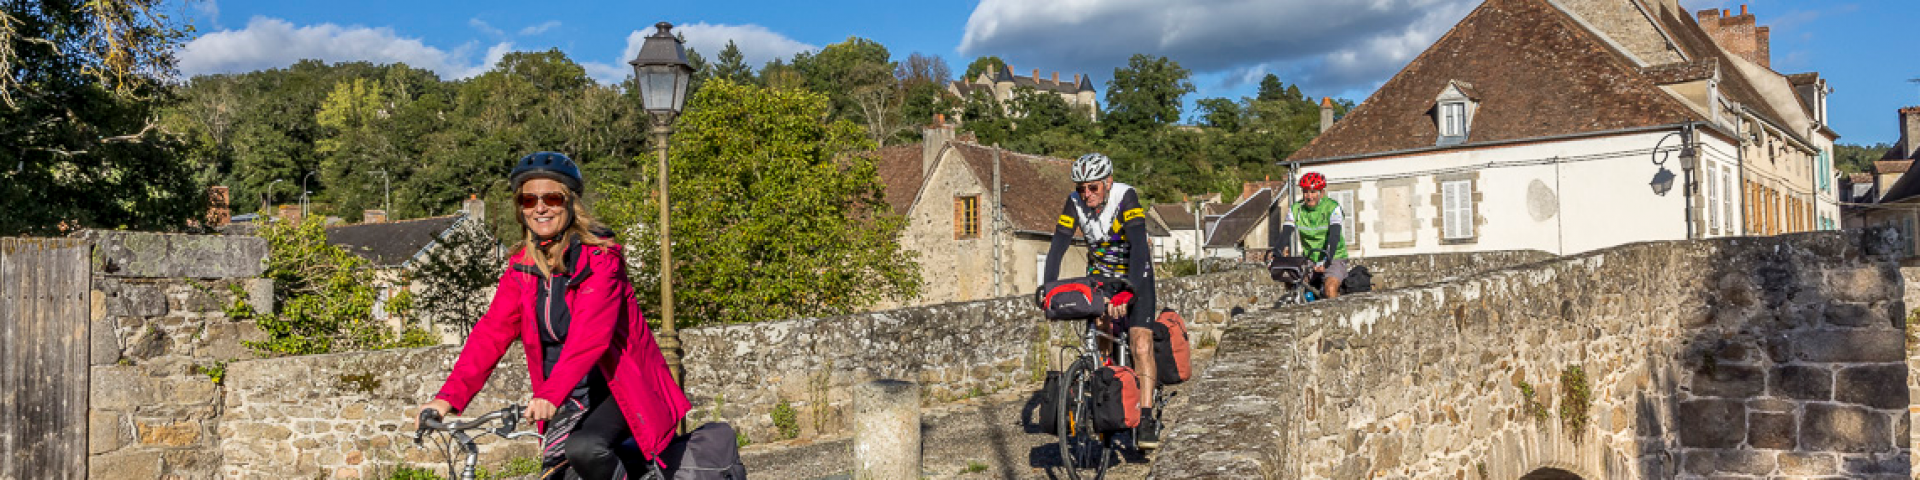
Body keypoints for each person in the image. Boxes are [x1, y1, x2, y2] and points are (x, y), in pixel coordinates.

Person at [418, 152, 690, 479]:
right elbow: (491, 334)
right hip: (566, 395)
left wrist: (549, 394)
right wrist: (446, 399)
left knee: (585, 449)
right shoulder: (523, 267)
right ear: (520, 209)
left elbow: (590, 336)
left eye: (551, 197)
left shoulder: (601, 259)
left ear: (570, 203)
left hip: (618, 386)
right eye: (529, 199)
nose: (540, 207)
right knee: (559, 472)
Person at [1041, 152, 1163, 448]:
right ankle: (1109, 388)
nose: (1086, 194)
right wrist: (1047, 288)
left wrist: (1128, 290)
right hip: (1102, 278)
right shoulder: (1074, 202)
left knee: (1140, 342)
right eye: (1082, 188)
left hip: (1136, 275)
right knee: (1101, 332)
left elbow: (1138, 246)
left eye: (1093, 187)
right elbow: (1058, 245)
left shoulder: (1126, 197)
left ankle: (1146, 417)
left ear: (1108, 182)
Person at [1274, 172, 1350, 299]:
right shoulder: (1296, 209)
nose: (1309, 196)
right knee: (1291, 280)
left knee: (1330, 289)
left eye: (1313, 192)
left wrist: (1327, 259)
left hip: (1334, 256)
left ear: (1322, 192)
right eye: (1306, 192)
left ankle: (1334, 317)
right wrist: (1276, 253)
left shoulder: (1332, 208)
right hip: (1310, 257)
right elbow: (1286, 233)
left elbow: (1334, 236)